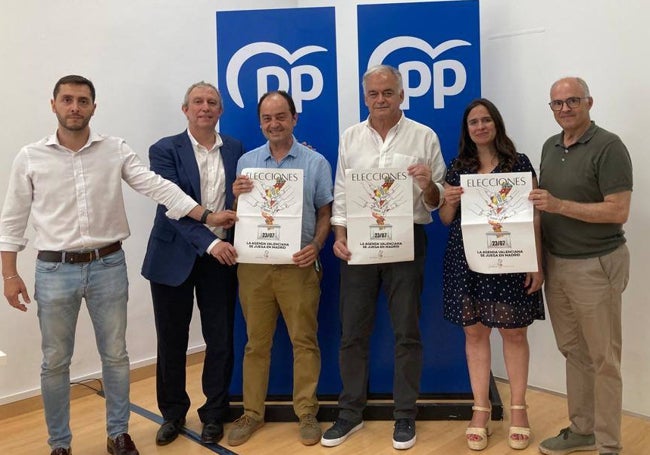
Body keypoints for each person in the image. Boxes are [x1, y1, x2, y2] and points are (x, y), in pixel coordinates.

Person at [0, 75, 237, 455]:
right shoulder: (30, 156)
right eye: (67, 100)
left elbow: (157, 187)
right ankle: (59, 443)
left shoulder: (114, 150)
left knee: (116, 356)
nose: (75, 107)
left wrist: (205, 214)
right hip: (54, 270)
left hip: (108, 264)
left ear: (94, 106)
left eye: (82, 101)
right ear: (54, 104)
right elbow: (12, 219)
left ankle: (118, 435)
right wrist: (9, 274)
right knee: (55, 362)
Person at [321, 65, 446, 451]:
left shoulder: (424, 136)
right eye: (373, 94)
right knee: (352, 332)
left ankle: (405, 415)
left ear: (402, 94)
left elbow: (438, 202)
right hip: (358, 245)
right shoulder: (350, 137)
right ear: (365, 97)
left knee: (406, 331)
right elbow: (341, 192)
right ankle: (349, 414)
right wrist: (338, 236)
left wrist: (428, 184)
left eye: (388, 92)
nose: (381, 100)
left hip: (407, 242)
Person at [225, 90, 333, 447]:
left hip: (298, 266)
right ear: (260, 123)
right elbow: (239, 213)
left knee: (304, 341)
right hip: (254, 266)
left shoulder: (315, 163)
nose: (274, 124)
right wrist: (236, 193)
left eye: (281, 116)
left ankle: (306, 412)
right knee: (256, 344)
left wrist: (316, 246)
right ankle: (252, 413)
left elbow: (324, 213)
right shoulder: (247, 163)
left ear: (294, 118)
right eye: (267, 118)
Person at [530, 77, 632, 455]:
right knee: (574, 352)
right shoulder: (550, 145)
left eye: (572, 101)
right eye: (557, 103)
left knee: (604, 359)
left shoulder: (609, 146)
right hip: (557, 266)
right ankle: (582, 429)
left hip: (596, 266)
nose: (565, 109)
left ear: (589, 102)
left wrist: (559, 206)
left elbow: (618, 209)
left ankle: (609, 444)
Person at [141, 82, 244, 446]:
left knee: (220, 339)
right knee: (172, 340)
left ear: (220, 111)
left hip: (221, 260)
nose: (205, 107)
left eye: (212, 102)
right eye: (197, 102)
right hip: (173, 257)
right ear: (185, 109)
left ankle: (214, 412)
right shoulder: (164, 150)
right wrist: (212, 239)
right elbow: (173, 207)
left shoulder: (235, 148)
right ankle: (172, 413)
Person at [439, 99, 544, 451]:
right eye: (473, 122)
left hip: (511, 259)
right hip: (466, 260)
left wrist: (536, 262)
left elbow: (534, 216)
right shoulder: (458, 167)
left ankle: (518, 409)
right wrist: (450, 199)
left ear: (496, 124)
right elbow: (445, 219)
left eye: (486, 120)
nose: (480, 126)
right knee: (475, 334)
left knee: (514, 334)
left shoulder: (519, 163)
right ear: (466, 130)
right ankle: (480, 409)